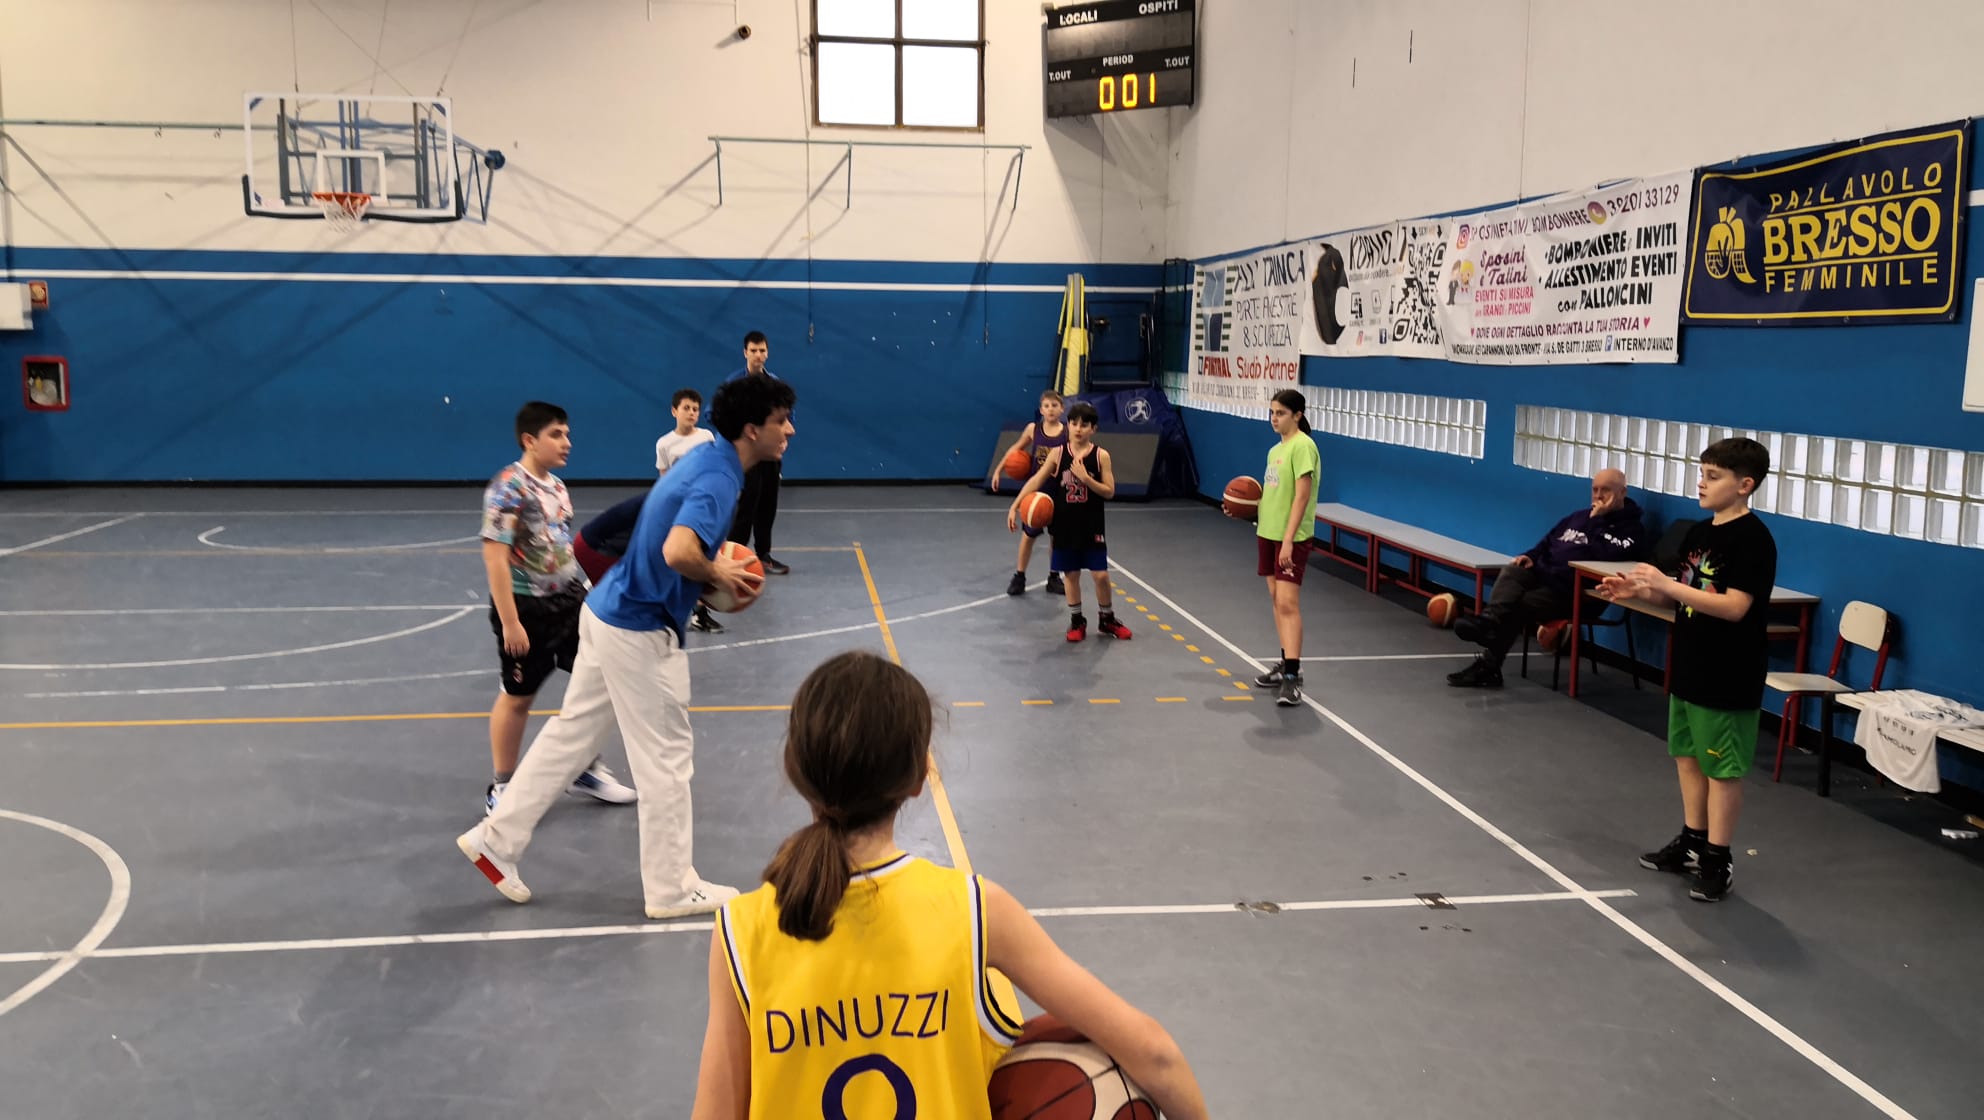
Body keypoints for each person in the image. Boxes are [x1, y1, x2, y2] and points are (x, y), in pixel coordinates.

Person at [688, 651, 1210, 1120]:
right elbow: (1155, 1054)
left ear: (794, 768)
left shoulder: (741, 929)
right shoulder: (975, 910)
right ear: (920, 776)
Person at [457, 374, 792, 918]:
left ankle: (495, 840)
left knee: (572, 735)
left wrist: (701, 570)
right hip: (638, 628)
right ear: (753, 429)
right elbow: (678, 550)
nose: (789, 430)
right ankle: (670, 889)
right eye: (781, 421)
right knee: (666, 760)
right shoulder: (719, 480)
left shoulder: (706, 459)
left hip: (604, 610)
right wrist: (719, 573)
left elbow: (654, 528)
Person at [1600, 438, 1776, 903]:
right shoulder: (1699, 533)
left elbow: (1734, 607)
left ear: (1745, 485)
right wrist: (1639, 592)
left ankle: (1718, 858)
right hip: (1690, 663)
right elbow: (1682, 596)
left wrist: (1666, 586)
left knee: (1722, 769)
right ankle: (1693, 840)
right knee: (1688, 757)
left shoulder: (1753, 539)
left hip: (1729, 671)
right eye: (1702, 473)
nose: (1702, 483)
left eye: (1713, 476)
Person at [477, 401, 636, 814]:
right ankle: (503, 785)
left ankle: (582, 767)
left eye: (567, 434)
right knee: (518, 697)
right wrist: (510, 622)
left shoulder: (558, 487)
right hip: (526, 609)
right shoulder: (508, 488)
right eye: (556, 434)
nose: (567, 442)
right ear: (530, 440)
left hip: (569, 601)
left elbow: (560, 546)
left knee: (596, 683)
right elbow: (495, 558)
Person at [1446, 468, 1647, 689]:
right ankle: (1489, 621)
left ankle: (1488, 663)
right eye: (1595, 489)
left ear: (1622, 492)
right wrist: (1530, 556)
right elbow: (1548, 541)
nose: (1598, 496)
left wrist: (1597, 521)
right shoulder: (1577, 517)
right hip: (1545, 576)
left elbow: (1607, 555)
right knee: (1513, 570)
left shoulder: (1631, 530)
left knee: (1517, 607)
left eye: (1605, 490)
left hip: (1576, 593)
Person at [572, 389, 724, 633]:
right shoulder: (665, 443)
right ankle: (598, 585)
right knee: (673, 558)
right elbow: (664, 481)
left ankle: (697, 612)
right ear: (674, 411)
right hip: (677, 509)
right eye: (686, 408)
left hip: (696, 506)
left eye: (695, 409)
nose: (691, 413)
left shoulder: (706, 437)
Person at [1006, 401, 1131, 643]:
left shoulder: (1101, 456)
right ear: (1069, 425)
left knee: (1101, 575)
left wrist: (1087, 479)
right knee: (1071, 575)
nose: (1078, 429)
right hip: (1064, 524)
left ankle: (1107, 619)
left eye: (1084, 425)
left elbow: (1109, 491)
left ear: (1093, 429)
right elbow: (1036, 481)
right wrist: (1015, 505)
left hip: (1091, 525)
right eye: (1074, 423)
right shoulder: (1058, 453)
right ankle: (1076, 620)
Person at [1241, 389, 1319, 707]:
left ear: (1297, 415)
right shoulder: (1275, 450)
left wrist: (1288, 540)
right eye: (1272, 412)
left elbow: (1302, 496)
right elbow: (1273, 495)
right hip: (1268, 532)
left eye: (1281, 413)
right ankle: (1286, 662)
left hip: (1291, 538)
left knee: (1288, 604)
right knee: (1277, 600)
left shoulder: (1303, 446)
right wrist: (1246, 510)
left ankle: (1293, 676)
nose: (1274, 418)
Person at [716, 331, 790, 575]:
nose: (758, 355)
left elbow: (786, 417)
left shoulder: (774, 384)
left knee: (768, 503)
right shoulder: (734, 383)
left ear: (767, 353)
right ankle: (733, 554)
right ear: (745, 353)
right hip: (747, 457)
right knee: (746, 503)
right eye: (753, 350)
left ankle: (764, 555)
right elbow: (714, 413)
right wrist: (736, 440)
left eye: (762, 350)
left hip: (769, 455)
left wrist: (782, 440)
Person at [992, 389, 1068, 597]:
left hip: (1059, 492)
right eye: (1046, 406)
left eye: (1054, 405)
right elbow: (1014, 450)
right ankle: (1019, 576)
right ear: (1041, 410)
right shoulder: (1033, 429)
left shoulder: (1067, 433)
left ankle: (1054, 577)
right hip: (1036, 491)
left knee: (1056, 537)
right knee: (1028, 536)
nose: (1050, 409)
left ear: (1062, 409)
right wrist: (998, 470)